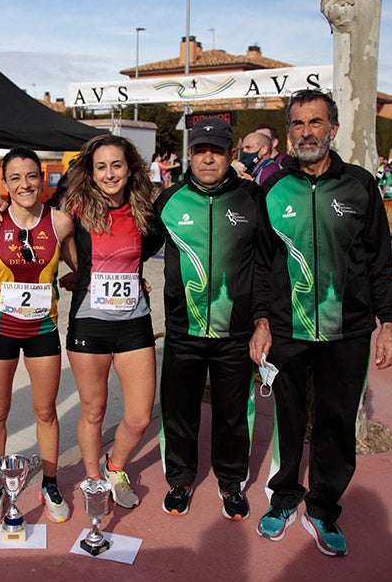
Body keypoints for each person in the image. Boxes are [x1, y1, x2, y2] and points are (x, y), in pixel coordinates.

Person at [252, 90, 392, 557]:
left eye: (316, 123)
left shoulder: (359, 185)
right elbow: (261, 263)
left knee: (336, 421)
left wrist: (388, 322)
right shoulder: (273, 188)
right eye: (298, 124)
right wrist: (260, 320)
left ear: (332, 129)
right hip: (288, 328)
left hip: (348, 330)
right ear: (289, 132)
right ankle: (284, 499)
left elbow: (379, 259)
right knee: (290, 419)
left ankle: (322, 509)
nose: (307, 132)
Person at [154, 117, 268, 521]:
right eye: (200, 150)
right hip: (183, 330)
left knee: (234, 413)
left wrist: (262, 320)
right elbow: (133, 243)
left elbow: (267, 265)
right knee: (178, 410)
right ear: (189, 155)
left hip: (235, 332)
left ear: (230, 155)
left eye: (216, 151)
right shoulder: (169, 200)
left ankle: (231, 482)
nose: (207, 158)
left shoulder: (253, 199)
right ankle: (181, 480)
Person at [0, 148, 77, 525]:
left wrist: (113, 278)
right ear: (3, 184)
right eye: (15, 178)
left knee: (45, 410)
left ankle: (50, 482)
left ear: (42, 179)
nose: (24, 184)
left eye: (31, 176)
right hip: (1, 330)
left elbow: (86, 266)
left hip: (43, 330)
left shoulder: (60, 222)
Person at [60, 134, 164, 509]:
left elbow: (144, 251)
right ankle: (93, 480)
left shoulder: (144, 211)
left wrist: (133, 275)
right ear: (90, 171)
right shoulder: (72, 210)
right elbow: (35, 232)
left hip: (133, 321)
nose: (109, 174)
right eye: (100, 166)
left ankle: (115, 465)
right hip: (89, 322)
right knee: (93, 410)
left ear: (130, 168)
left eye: (116, 165)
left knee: (138, 416)